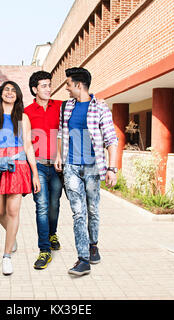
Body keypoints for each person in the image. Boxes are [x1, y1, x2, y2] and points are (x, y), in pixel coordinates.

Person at [55, 67, 118, 276]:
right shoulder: (66, 107)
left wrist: (112, 168)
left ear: (78, 85)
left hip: (93, 167)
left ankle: (93, 245)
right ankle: (83, 259)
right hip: (71, 166)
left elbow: (111, 139)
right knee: (78, 213)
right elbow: (61, 134)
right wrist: (58, 157)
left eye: (68, 84)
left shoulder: (100, 107)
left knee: (93, 210)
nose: (66, 88)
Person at [0, 81, 41, 275]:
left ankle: (6, 256)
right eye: (6, 90)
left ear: (18, 96)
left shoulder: (23, 118)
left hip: (18, 166)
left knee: (13, 210)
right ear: (0, 94)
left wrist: (35, 174)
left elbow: (29, 147)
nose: (10, 93)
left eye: (13, 90)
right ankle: (11, 237)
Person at [24, 71, 63, 270]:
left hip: (57, 166)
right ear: (34, 89)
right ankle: (44, 250)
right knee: (42, 206)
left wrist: (60, 156)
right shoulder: (27, 112)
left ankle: (52, 233)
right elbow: (28, 144)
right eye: (44, 86)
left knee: (55, 205)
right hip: (38, 165)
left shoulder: (61, 106)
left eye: (49, 85)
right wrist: (33, 172)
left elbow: (65, 133)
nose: (48, 89)